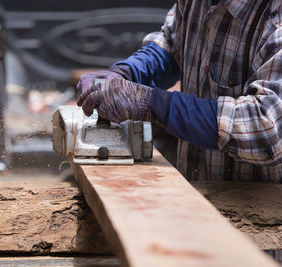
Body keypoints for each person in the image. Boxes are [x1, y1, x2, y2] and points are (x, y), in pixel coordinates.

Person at [76, 0, 282, 182]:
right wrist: (127, 72)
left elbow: (266, 127)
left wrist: (152, 103)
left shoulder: (275, 18)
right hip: (196, 196)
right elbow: (172, 44)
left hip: (258, 215)